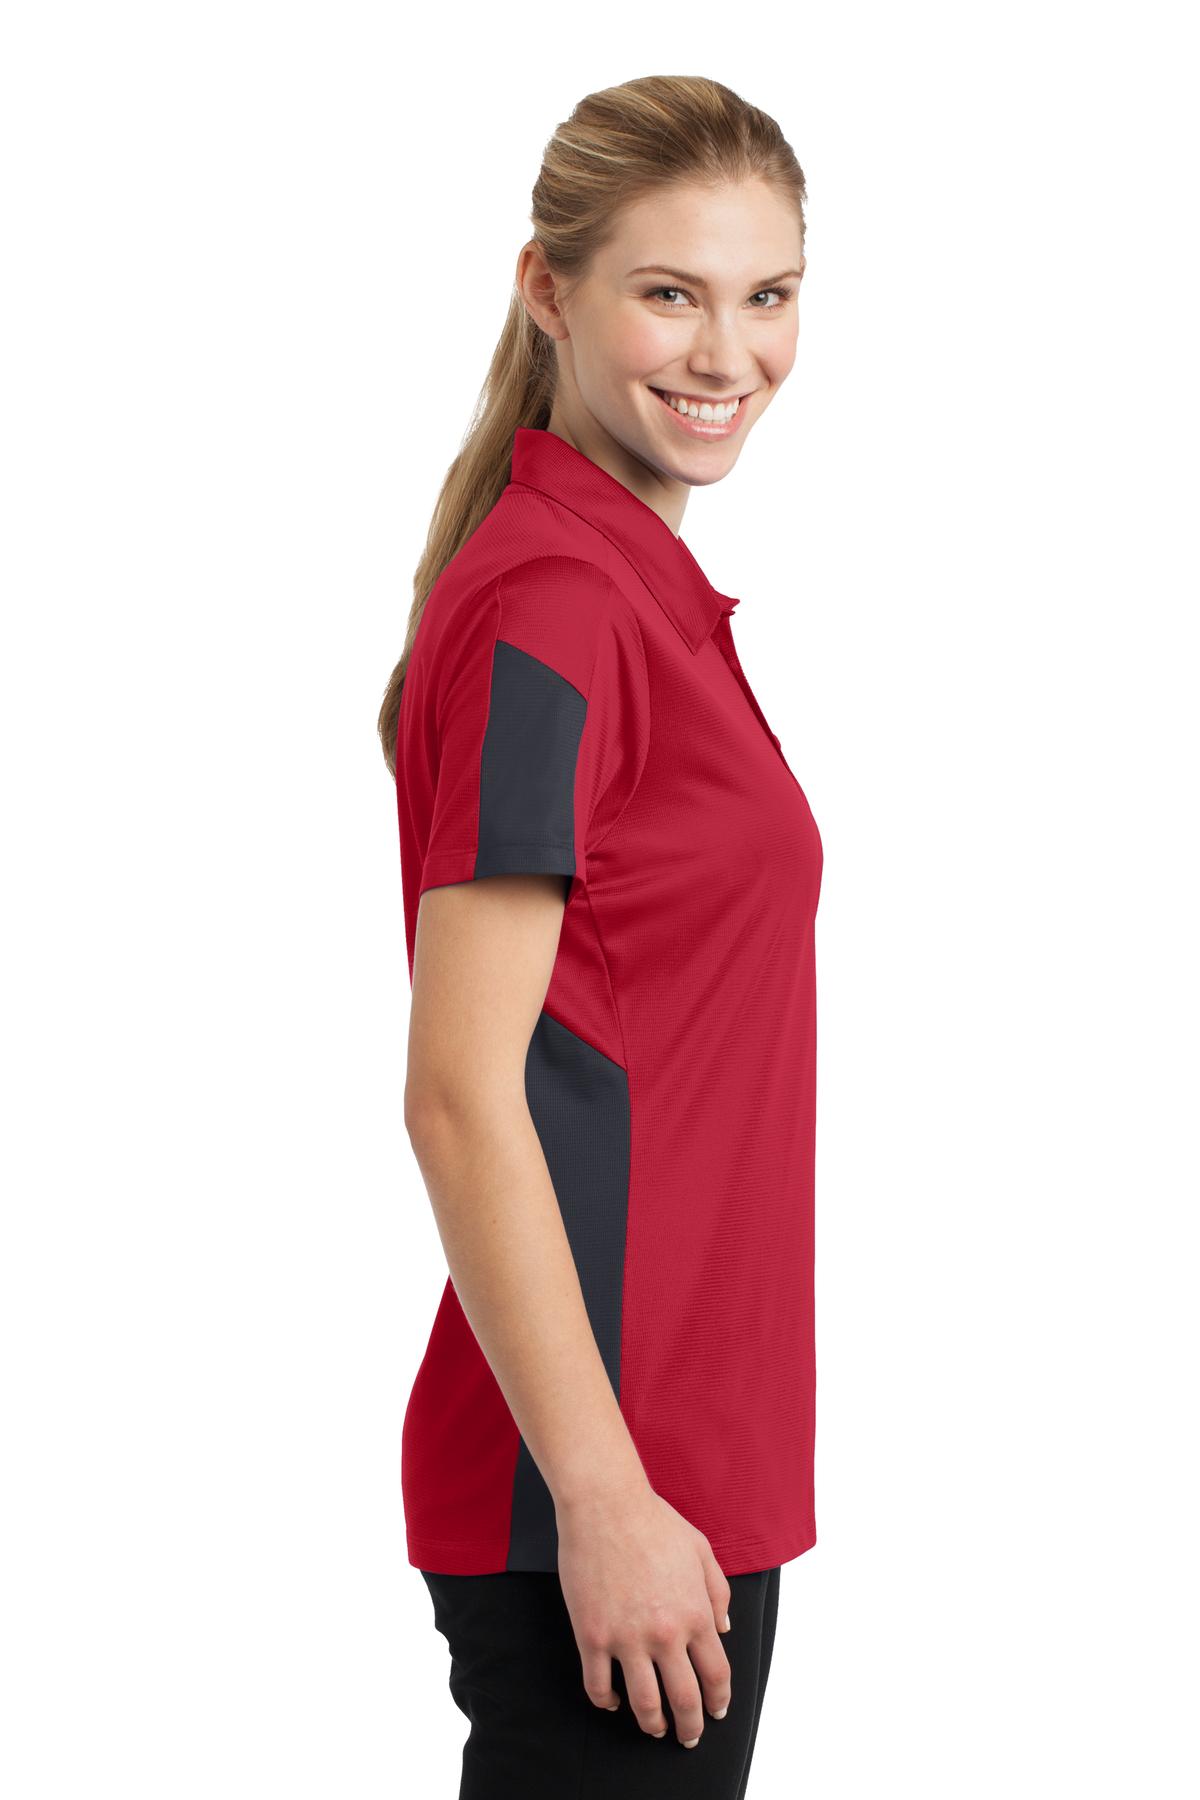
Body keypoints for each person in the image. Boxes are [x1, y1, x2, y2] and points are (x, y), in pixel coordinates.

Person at [377, 73, 822, 1799]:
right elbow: (457, 1094)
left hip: (684, 1468)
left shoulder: (624, 585)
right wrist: (606, 1495)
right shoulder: (556, 602)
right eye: (670, 293)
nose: (728, 353)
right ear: (546, 290)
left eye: (767, 294)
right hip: (604, 1495)